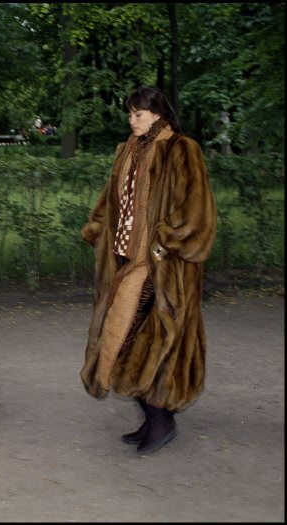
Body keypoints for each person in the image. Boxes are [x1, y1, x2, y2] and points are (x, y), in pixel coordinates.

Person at [80, 86, 217, 455]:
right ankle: (154, 419)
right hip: (123, 261)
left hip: (161, 267)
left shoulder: (181, 149)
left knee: (139, 341)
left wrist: (162, 245)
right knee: (126, 342)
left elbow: (196, 211)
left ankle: (161, 420)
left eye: (138, 114)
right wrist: (97, 227)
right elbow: (111, 198)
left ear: (159, 114)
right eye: (129, 114)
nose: (132, 120)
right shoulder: (126, 150)